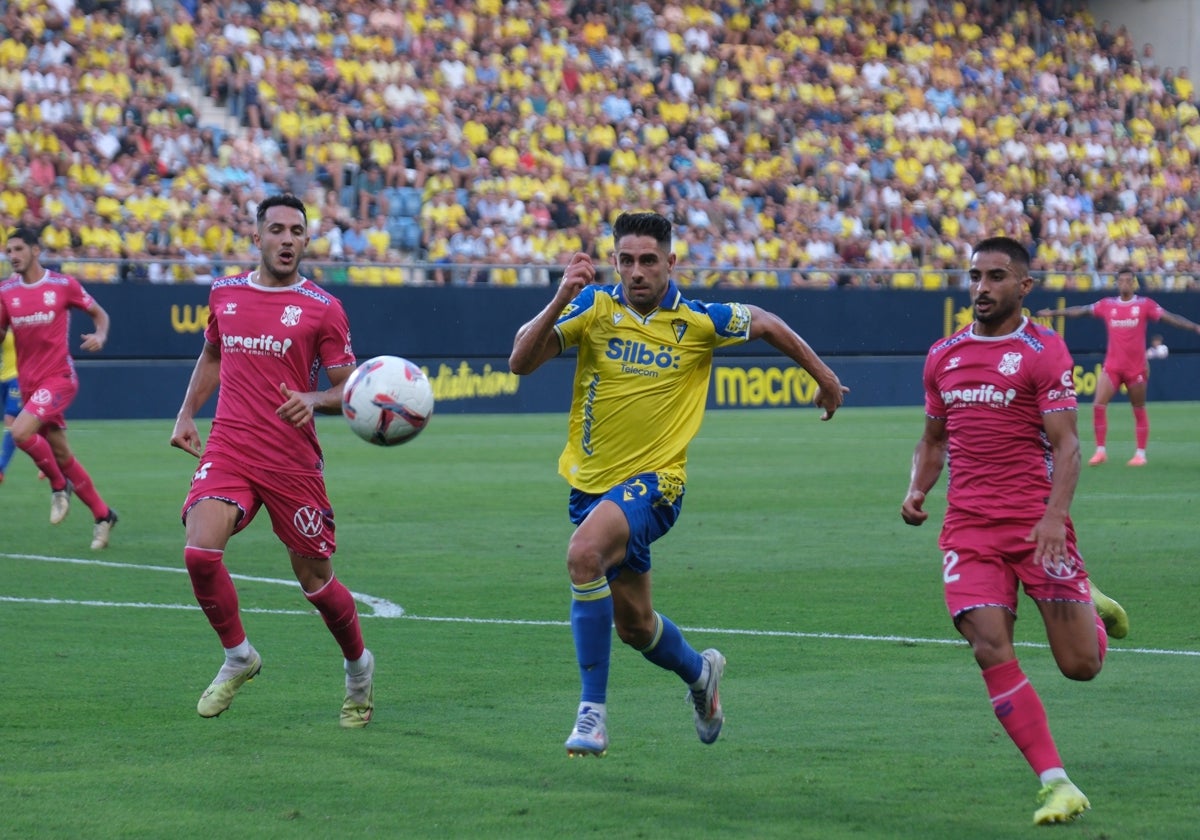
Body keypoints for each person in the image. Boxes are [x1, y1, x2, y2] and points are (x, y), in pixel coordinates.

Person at [508, 211, 848, 757]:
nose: (636, 271)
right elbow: (520, 361)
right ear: (613, 261)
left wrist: (824, 376)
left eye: (648, 260)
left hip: (657, 485)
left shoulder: (698, 320)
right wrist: (559, 297)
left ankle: (591, 713)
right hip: (593, 488)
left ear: (671, 262)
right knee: (637, 627)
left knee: (582, 555)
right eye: (626, 260)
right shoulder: (592, 308)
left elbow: (765, 321)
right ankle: (700, 674)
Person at [902, 236, 1130, 826]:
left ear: (1024, 286)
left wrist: (1055, 519)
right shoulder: (943, 355)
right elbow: (933, 440)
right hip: (969, 530)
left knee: (1081, 666)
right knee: (988, 647)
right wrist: (918, 488)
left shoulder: (1042, 351)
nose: (981, 287)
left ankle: (1089, 602)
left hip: (1037, 528)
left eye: (996, 277)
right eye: (975, 276)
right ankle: (1058, 783)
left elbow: (1068, 445)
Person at [169, 193, 374, 728]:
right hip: (231, 446)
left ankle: (358, 668)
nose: (287, 239)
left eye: (297, 232)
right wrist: (187, 411)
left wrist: (316, 400)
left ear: (306, 241)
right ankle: (239, 656)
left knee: (317, 584)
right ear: (256, 236)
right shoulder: (224, 293)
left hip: (291, 461)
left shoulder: (323, 307)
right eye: (278, 229)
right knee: (199, 553)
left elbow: (346, 386)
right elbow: (214, 353)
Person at [0, 228, 118, 549]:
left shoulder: (62, 285)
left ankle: (58, 485)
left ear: (35, 251)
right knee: (62, 453)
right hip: (28, 385)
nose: (12, 256)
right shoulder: (5, 291)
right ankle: (103, 515)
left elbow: (99, 314)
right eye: (8, 250)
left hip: (59, 378)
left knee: (20, 432)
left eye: (18, 249)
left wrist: (101, 335)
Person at [1037, 267, 1200, 466]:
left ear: (1133, 283)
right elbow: (1080, 311)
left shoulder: (1144, 305)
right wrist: (1055, 312)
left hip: (1136, 368)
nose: (1124, 283)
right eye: (1121, 280)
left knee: (1138, 407)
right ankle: (1100, 451)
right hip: (1113, 366)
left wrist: (1194, 327)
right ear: (1117, 283)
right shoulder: (1107, 305)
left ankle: (1140, 454)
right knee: (1098, 404)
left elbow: (1169, 317)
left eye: (1128, 280)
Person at [0, 331, 18, 483]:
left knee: (10, 418)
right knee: (28, 427)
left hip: (18, 376)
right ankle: (53, 463)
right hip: (3, 376)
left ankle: (1, 467)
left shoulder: (22, 318)